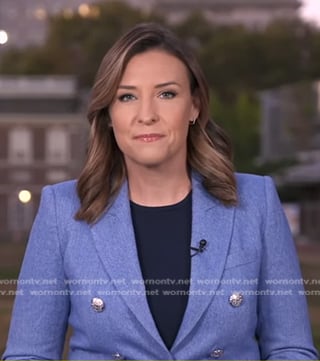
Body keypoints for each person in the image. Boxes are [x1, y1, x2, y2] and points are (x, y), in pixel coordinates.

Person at [2, 23, 318, 360]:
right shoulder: (61, 210)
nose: (147, 115)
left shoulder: (257, 202)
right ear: (109, 114)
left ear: (194, 106)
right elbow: (28, 354)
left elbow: (291, 348)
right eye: (127, 97)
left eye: (166, 94)